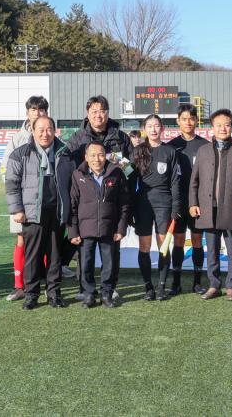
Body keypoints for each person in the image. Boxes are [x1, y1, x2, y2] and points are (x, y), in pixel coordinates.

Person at [6, 116, 75, 309]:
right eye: (41, 129)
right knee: (33, 255)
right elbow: (11, 184)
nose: (45, 134)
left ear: (55, 131)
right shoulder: (21, 153)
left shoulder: (65, 152)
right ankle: (31, 294)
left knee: (55, 255)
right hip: (31, 212)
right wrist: (17, 209)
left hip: (57, 211)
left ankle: (53, 293)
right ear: (33, 131)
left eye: (49, 129)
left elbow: (72, 182)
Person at [66, 95, 133, 288]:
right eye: (94, 111)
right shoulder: (78, 138)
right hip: (86, 202)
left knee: (112, 250)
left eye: (102, 111)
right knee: (84, 252)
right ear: (87, 114)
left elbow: (130, 167)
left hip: (112, 198)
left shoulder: (120, 137)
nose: (98, 115)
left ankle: (110, 288)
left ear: (107, 113)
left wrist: (111, 160)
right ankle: (84, 288)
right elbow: (70, 168)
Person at [189, 108, 232, 301]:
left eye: (227, 124)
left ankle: (231, 286)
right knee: (212, 250)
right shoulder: (203, 151)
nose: (223, 128)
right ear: (212, 128)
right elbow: (195, 181)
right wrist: (193, 203)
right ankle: (214, 285)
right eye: (219, 125)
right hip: (208, 209)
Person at [0, 95, 53, 301]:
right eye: (34, 110)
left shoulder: (52, 137)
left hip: (47, 204)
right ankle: (19, 284)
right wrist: (17, 206)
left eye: (42, 110)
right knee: (22, 240)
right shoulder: (17, 139)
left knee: (49, 241)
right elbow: (9, 174)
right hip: (24, 204)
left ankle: (48, 283)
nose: (38, 114)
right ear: (27, 113)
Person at [68, 141, 131, 308]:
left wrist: (121, 228)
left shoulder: (116, 173)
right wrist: (73, 231)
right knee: (85, 263)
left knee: (109, 263)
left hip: (109, 228)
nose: (97, 159)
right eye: (93, 155)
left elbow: (124, 204)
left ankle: (107, 293)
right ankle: (89, 294)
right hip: (85, 229)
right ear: (86, 157)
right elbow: (72, 205)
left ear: (106, 156)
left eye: (101, 154)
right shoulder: (77, 175)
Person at [131, 115, 181, 301]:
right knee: (144, 246)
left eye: (157, 126)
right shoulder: (137, 152)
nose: (153, 129)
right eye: (149, 126)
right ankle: (148, 288)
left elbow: (175, 181)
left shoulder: (170, 151)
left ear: (162, 129)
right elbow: (129, 177)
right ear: (144, 128)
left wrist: (175, 206)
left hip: (164, 203)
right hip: (142, 203)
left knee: (163, 246)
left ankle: (161, 287)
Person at [167, 105, 209, 294]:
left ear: (196, 121)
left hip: (198, 202)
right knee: (178, 240)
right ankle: (176, 281)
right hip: (178, 201)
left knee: (198, 240)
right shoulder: (171, 146)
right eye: (184, 118)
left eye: (191, 118)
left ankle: (198, 282)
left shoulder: (205, 145)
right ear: (178, 121)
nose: (188, 122)